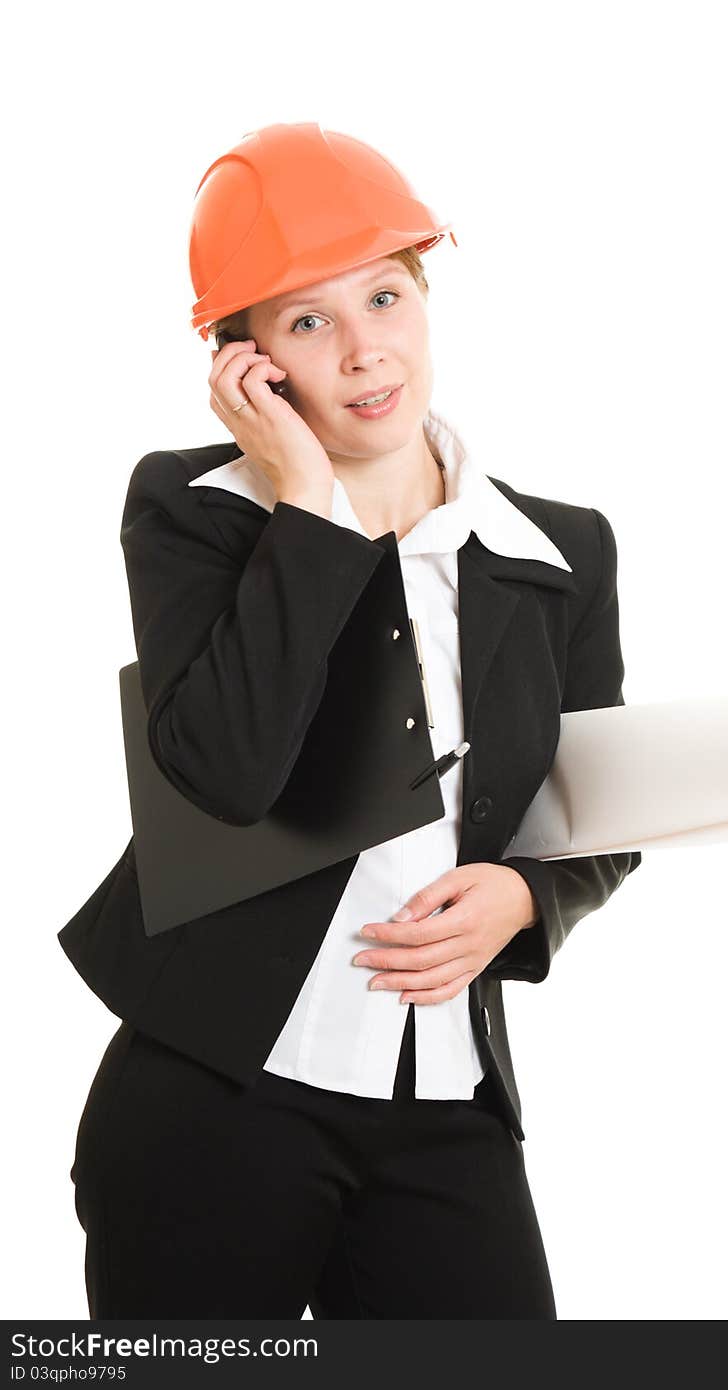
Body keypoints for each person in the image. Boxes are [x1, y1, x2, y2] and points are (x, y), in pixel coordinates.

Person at [60, 122, 642, 1319]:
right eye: (308, 322)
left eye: (385, 296)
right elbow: (223, 770)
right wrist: (311, 516)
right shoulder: (195, 510)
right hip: (216, 1095)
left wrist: (536, 896)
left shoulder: (557, 550)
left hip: (447, 1106)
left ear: (426, 296)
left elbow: (600, 794)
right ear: (248, 363)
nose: (366, 351)